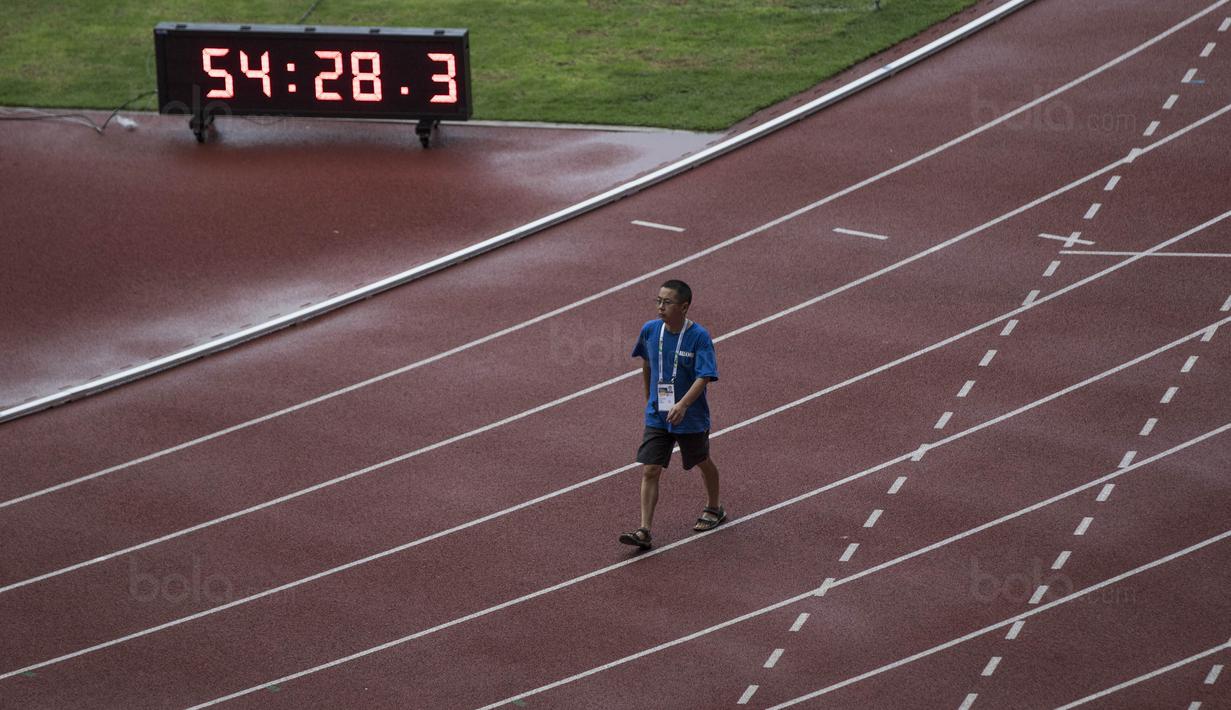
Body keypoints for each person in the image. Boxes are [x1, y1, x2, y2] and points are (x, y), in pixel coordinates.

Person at [619, 279, 724, 550]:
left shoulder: (699, 336)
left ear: (684, 306)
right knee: (651, 468)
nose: (660, 307)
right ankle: (644, 530)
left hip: (690, 416)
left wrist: (683, 405)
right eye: (658, 301)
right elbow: (646, 363)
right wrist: (648, 399)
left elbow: (705, 376)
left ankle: (714, 508)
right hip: (658, 414)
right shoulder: (650, 330)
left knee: (701, 460)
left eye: (667, 302)